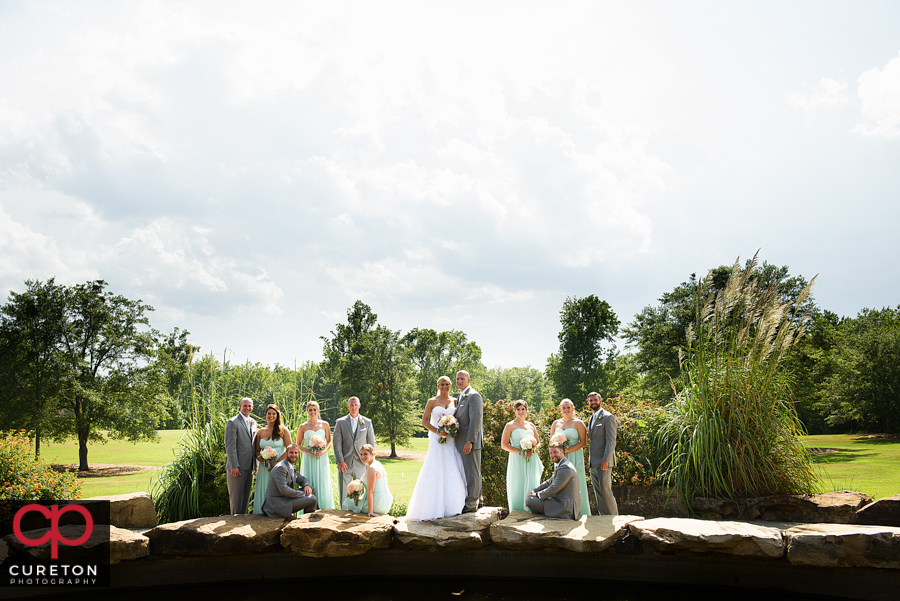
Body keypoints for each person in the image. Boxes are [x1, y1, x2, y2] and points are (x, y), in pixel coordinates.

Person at [405, 376, 467, 520]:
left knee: (452, 467)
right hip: (436, 438)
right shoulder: (432, 401)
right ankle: (432, 507)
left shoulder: (455, 401)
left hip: (451, 439)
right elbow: (424, 421)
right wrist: (439, 431)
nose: (445, 387)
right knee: (435, 467)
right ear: (438, 386)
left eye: (447, 384)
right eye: (442, 384)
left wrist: (452, 429)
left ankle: (454, 506)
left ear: (450, 386)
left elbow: (459, 419)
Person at [500, 400, 543, 512]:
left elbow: (539, 443)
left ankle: (531, 509)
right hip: (516, 458)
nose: (520, 411)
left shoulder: (531, 425)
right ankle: (517, 510)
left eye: (523, 409)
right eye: (518, 409)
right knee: (517, 483)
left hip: (531, 458)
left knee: (531, 483)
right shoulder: (510, 425)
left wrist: (533, 451)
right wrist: (520, 451)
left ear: (526, 410)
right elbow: (504, 445)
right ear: (514, 411)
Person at [549, 398, 590, 516]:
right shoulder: (555, 423)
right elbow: (551, 442)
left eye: (568, 407)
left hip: (575, 455)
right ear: (560, 409)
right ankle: (562, 511)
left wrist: (567, 450)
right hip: (560, 458)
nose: (566, 410)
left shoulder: (579, 423)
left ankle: (580, 511)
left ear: (572, 409)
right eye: (564, 407)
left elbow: (583, 442)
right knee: (560, 482)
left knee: (576, 482)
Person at [333, 396, 376, 505]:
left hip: (361, 463)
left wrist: (369, 462)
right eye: (351, 405)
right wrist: (340, 461)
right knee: (344, 492)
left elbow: (371, 444)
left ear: (359, 406)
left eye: (355, 405)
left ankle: (359, 513)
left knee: (361, 490)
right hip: (345, 463)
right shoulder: (340, 422)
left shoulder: (367, 422)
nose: (353, 407)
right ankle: (342, 514)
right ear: (348, 406)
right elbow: (336, 443)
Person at [252, 404, 292, 515]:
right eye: (269, 413)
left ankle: (278, 513)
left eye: (273, 414)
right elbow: (256, 451)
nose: (271, 416)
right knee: (264, 488)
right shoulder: (260, 432)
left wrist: (276, 464)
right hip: (265, 468)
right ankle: (262, 513)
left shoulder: (283, 430)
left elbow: (289, 449)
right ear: (265, 415)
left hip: (280, 467)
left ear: (277, 415)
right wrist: (263, 462)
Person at [526, 442, 581, 520]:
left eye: (555, 452)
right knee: (531, 498)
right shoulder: (562, 464)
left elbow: (554, 488)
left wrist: (538, 495)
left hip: (565, 506)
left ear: (562, 452)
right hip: (561, 501)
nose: (553, 455)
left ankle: (554, 514)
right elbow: (549, 482)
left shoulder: (565, 467)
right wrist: (533, 491)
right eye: (551, 453)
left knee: (530, 500)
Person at [297, 400, 335, 511]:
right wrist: (308, 452)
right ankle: (308, 507)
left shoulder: (325, 424)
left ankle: (324, 507)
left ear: (318, 411)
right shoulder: (303, 426)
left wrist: (323, 452)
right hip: (308, 458)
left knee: (323, 480)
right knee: (309, 479)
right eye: (310, 410)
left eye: (314, 409)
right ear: (307, 411)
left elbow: (329, 441)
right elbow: (298, 444)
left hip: (321, 457)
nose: (312, 412)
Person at [454, 370, 483, 513]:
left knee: (472, 473)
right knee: (472, 472)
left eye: (462, 379)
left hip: (470, 443)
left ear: (469, 380)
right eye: (457, 379)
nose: (459, 381)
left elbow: (475, 421)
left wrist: (470, 441)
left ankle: (472, 504)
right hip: (462, 441)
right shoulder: (460, 395)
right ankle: (479, 499)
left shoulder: (473, 396)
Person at [262, 445, 317, 518]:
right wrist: (303, 494)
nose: (293, 455)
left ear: (298, 454)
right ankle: (308, 522)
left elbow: (302, 479)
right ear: (286, 454)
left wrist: (306, 486)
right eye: (291, 452)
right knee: (312, 498)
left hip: (285, 498)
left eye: (295, 453)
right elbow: (283, 489)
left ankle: (307, 520)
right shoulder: (280, 468)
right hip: (277, 504)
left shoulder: (292, 466)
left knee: (311, 489)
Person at [587, 391, 618, 516]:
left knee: (606, 492)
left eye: (595, 400)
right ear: (588, 403)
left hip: (604, 462)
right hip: (593, 462)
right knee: (598, 493)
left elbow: (611, 441)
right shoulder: (591, 418)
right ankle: (603, 518)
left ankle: (614, 519)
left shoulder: (608, 417)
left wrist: (606, 460)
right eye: (591, 400)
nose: (593, 402)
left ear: (600, 401)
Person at [225, 397, 257, 515]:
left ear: (252, 407)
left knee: (245, 499)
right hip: (236, 467)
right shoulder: (233, 422)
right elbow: (230, 446)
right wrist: (234, 465)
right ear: (240, 406)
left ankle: (242, 524)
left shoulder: (253, 422)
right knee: (236, 499)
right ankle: (234, 525)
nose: (247, 408)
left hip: (249, 467)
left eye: (249, 406)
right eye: (245, 405)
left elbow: (253, 445)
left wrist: (255, 464)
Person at [342, 444, 394, 516]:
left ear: (372, 454)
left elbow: (371, 491)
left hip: (378, 504)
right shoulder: (378, 463)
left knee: (350, 502)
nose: (362, 457)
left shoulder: (371, 469)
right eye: (361, 454)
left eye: (365, 454)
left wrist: (370, 512)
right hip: (387, 502)